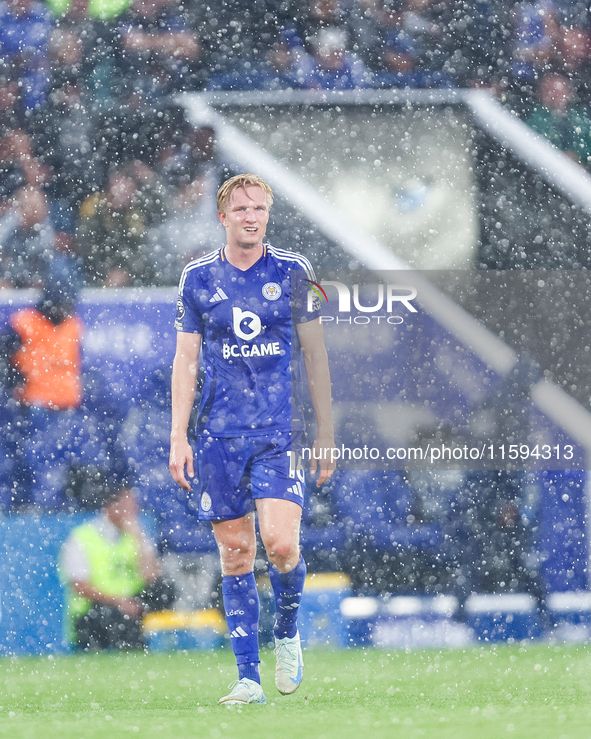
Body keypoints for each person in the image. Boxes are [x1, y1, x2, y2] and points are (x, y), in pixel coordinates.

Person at [169, 173, 335, 705]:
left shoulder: (292, 272)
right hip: (218, 437)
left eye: (259, 208)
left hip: (277, 433)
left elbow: (315, 355)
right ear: (223, 217)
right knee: (236, 553)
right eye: (240, 209)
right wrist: (178, 436)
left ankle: (286, 633)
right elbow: (186, 361)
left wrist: (326, 433)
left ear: (267, 214)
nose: (250, 216)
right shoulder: (197, 278)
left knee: (281, 545)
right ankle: (248, 678)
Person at [59, 465, 174, 650]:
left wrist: (139, 538)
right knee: (115, 617)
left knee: (165, 589)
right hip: (96, 609)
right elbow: (80, 586)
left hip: (130, 603)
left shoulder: (134, 535)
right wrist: (120, 602)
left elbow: (152, 577)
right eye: (128, 506)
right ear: (111, 506)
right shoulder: (82, 538)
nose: (133, 512)